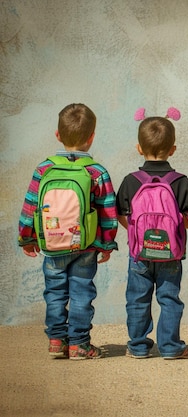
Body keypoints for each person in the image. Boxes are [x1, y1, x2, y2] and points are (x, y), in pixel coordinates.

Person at [18, 103, 118, 359]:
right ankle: (79, 344)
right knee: (82, 291)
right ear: (92, 137)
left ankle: (56, 340)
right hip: (84, 246)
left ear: (58, 135)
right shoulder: (97, 172)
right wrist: (106, 244)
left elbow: (30, 206)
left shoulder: (43, 169)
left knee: (54, 292)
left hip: (51, 245)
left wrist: (27, 238)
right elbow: (108, 212)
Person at [115, 108, 188, 360]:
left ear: (139, 148)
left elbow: (119, 214)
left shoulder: (131, 180)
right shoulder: (180, 181)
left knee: (138, 299)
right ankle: (171, 348)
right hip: (170, 255)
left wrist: (137, 233)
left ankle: (137, 347)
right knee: (169, 299)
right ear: (173, 149)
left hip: (139, 253)